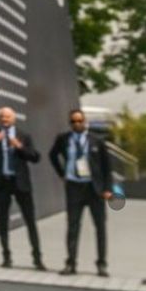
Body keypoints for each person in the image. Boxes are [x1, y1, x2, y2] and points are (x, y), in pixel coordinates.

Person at [49, 108, 113, 276]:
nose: (77, 124)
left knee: (100, 227)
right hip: (74, 187)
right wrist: (62, 173)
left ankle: (102, 263)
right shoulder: (63, 139)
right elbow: (52, 155)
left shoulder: (97, 141)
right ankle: (71, 263)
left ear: (85, 122)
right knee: (72, 226)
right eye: (73, 121)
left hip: (94, 188)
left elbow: (107, 167)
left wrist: (108, 189)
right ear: (70, 123)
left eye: (80, 121)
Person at [0, 106, 44, 269]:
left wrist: (19, 146)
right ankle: (6, 256)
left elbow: (35, 157)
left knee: (30, 220)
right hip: (1, 183)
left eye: (7, 117)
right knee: (2, 221)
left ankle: (37, 258)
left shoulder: (24, 136)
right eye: (2, 117)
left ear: (14, 119)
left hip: (20, 183)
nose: (4, 120)